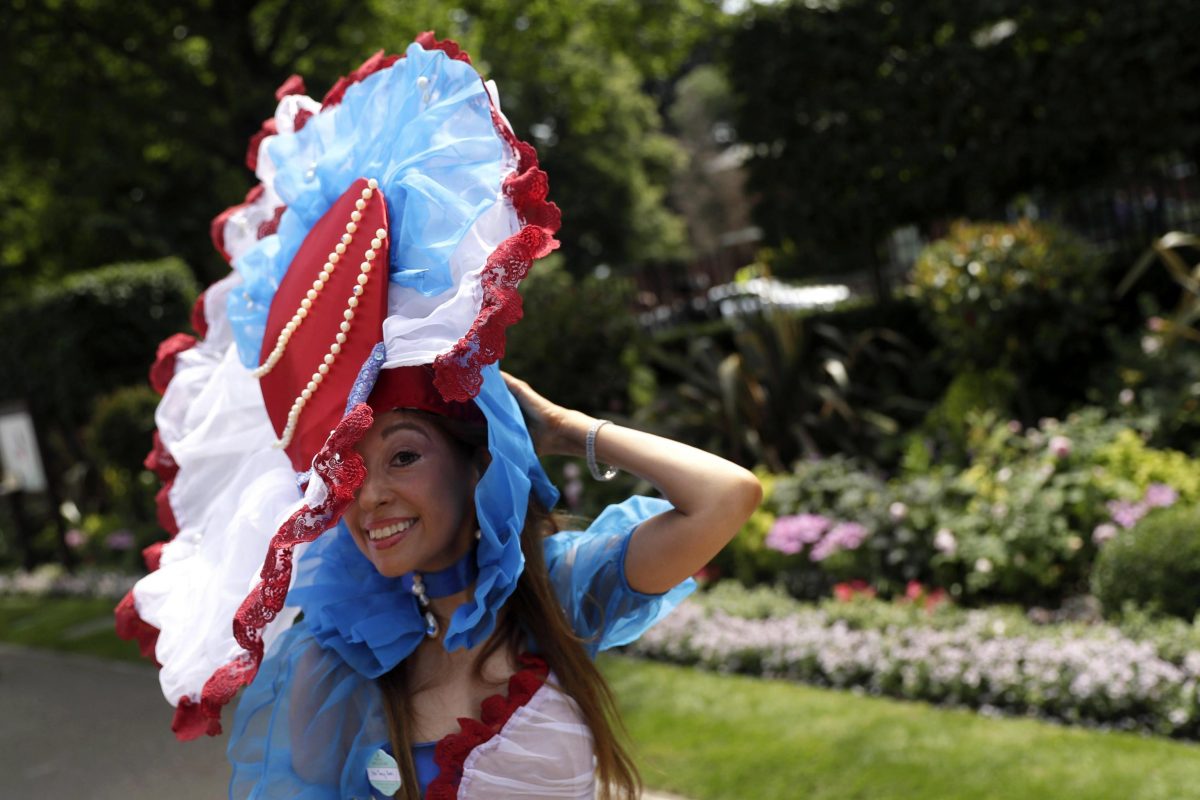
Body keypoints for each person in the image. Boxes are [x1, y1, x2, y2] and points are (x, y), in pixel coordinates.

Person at [116, 32, 758, 799]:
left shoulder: (561, 597)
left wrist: (560, 427)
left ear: (476, 461)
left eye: (403, 456)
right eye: (347, 471)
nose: (370, 495)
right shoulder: (344, 666)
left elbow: (726, 497)